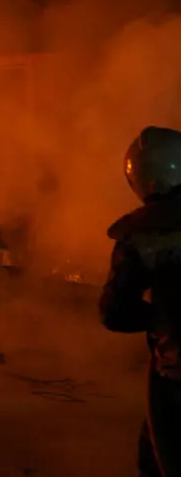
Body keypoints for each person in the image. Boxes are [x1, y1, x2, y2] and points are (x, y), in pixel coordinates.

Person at [100, 126, 181, 477]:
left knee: (162, 459)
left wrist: (157, 318)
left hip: (175, 374)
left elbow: (114, 312)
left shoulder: (141, 233)